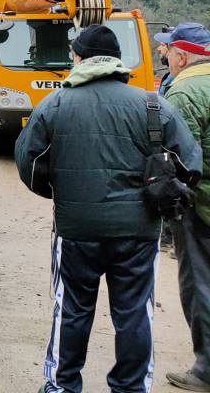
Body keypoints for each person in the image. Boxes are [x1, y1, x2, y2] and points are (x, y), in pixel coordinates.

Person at [15, 24, 200, 393]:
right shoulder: (152, 105)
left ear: (79, 59)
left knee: (71, 310)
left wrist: (65, 194)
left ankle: (62, 386)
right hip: (138, 235)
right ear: (117, 61)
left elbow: (29, 164)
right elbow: (189, 165)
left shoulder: (55, 105)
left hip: (76, 231)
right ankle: (130, 388)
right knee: (133, 314)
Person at [159, 23, 210, 391]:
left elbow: (177, 157)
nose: (166, 57)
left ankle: (205, 368)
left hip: (201, 205)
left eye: (167, 52)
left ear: (181, 55)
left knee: (200, 282)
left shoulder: (184, 91)